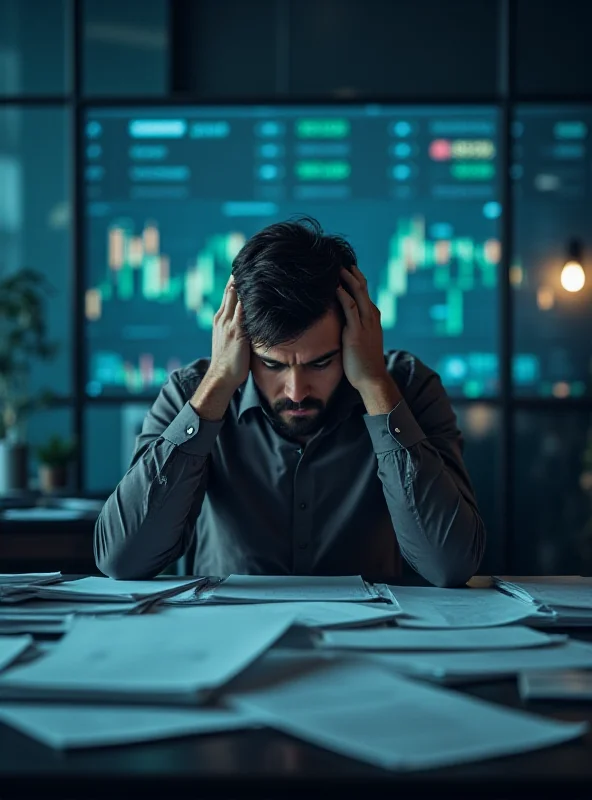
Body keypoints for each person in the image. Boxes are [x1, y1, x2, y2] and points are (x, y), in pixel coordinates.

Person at [94, 216, 485, 587]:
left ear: (356, 335)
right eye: (271, 364)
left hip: (367, 643)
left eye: (320, 362)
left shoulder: (408, 389)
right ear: (238, 342)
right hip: (224, 639)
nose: (296, 391)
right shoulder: (190, 393)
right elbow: (122, 560)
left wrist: (375, 386)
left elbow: (448, 564)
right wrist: (215, 386)